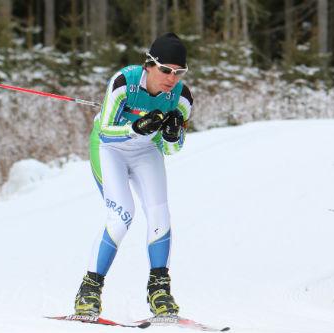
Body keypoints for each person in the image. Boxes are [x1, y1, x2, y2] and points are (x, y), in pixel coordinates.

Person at [74, 32, 193, 318]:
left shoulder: (182, 97)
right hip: (109, 149)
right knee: (122, 214)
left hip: (145, 151)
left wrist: (173, 135)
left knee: (160, 213)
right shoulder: (123, 83)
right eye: (166, 70)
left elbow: (172, 149)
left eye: (179, 72)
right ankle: (89, 291)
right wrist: (134, 128)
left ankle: (159, 290)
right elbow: (105, 131)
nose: (171, 78)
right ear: (149, 65)